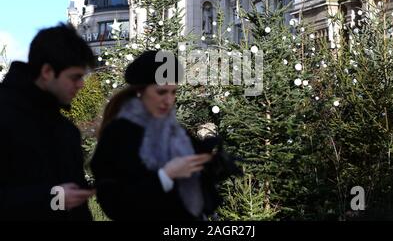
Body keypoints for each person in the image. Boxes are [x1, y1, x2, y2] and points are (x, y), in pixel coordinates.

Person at [90, 50, 238, 220]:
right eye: (161, 92)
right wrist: (165, 176)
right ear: (140, 92)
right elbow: (114, 202)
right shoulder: (118, 134)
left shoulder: (176, 132)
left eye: (173, 92)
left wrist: (213, 167)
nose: (169, 100)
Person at [0, 23, 95, 221]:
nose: (81, 84)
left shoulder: (66, 130)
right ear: (47, 72)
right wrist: (53, 199)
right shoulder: (6, 115)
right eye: (75, 77)